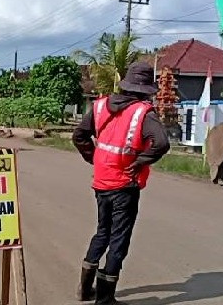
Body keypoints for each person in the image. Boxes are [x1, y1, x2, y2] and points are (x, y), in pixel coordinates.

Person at [72, 62, 170, 304]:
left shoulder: (100, 105)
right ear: (146, 89)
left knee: (102, 232)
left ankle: (85, 289)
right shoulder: (143, 112)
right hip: (125, 185)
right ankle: (105, 299)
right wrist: (140, 162)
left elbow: (79, 136)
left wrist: (93, 157)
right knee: (118, 239)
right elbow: (162, 143)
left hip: (101, 181)